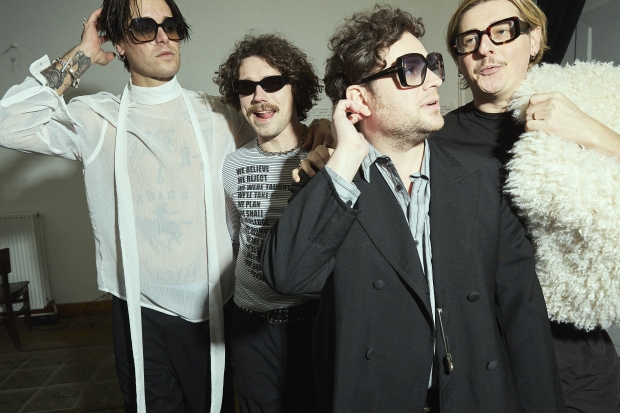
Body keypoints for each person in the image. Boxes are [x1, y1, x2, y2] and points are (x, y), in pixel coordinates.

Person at [0, 1, 329, 412]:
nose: (162, 36)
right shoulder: (97, 119)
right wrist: (83, 54)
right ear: (119, 43)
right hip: (140, 313)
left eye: (170, 25)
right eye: (143, 27)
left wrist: (322, 128)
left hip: (218, 310)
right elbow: (9, 123)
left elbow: (281, 129)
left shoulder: (219, 114)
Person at [260, 5, 565, 413]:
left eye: (432, 65)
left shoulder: (482, 178)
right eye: (412, 70)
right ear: (360, 98)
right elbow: (286, 275)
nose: (435, 79)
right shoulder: (330, 185)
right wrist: (346, 154)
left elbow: (522, 315)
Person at [433, 0, 620, 411]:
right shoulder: (435, 141)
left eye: (502, 31)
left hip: (578, 362)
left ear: (534, 39)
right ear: (460, 58)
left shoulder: (590, 108)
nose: (485, 48)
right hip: (484, 363)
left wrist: (590, 131)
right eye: (469, 40)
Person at [214, 34, 320, 413]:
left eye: (272, 83)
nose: (259, 96)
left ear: (296, 88)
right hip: (251, 328)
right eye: (246, 87)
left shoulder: (327, 156)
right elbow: (235, 239)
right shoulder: (232, 165)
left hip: (314, 323)